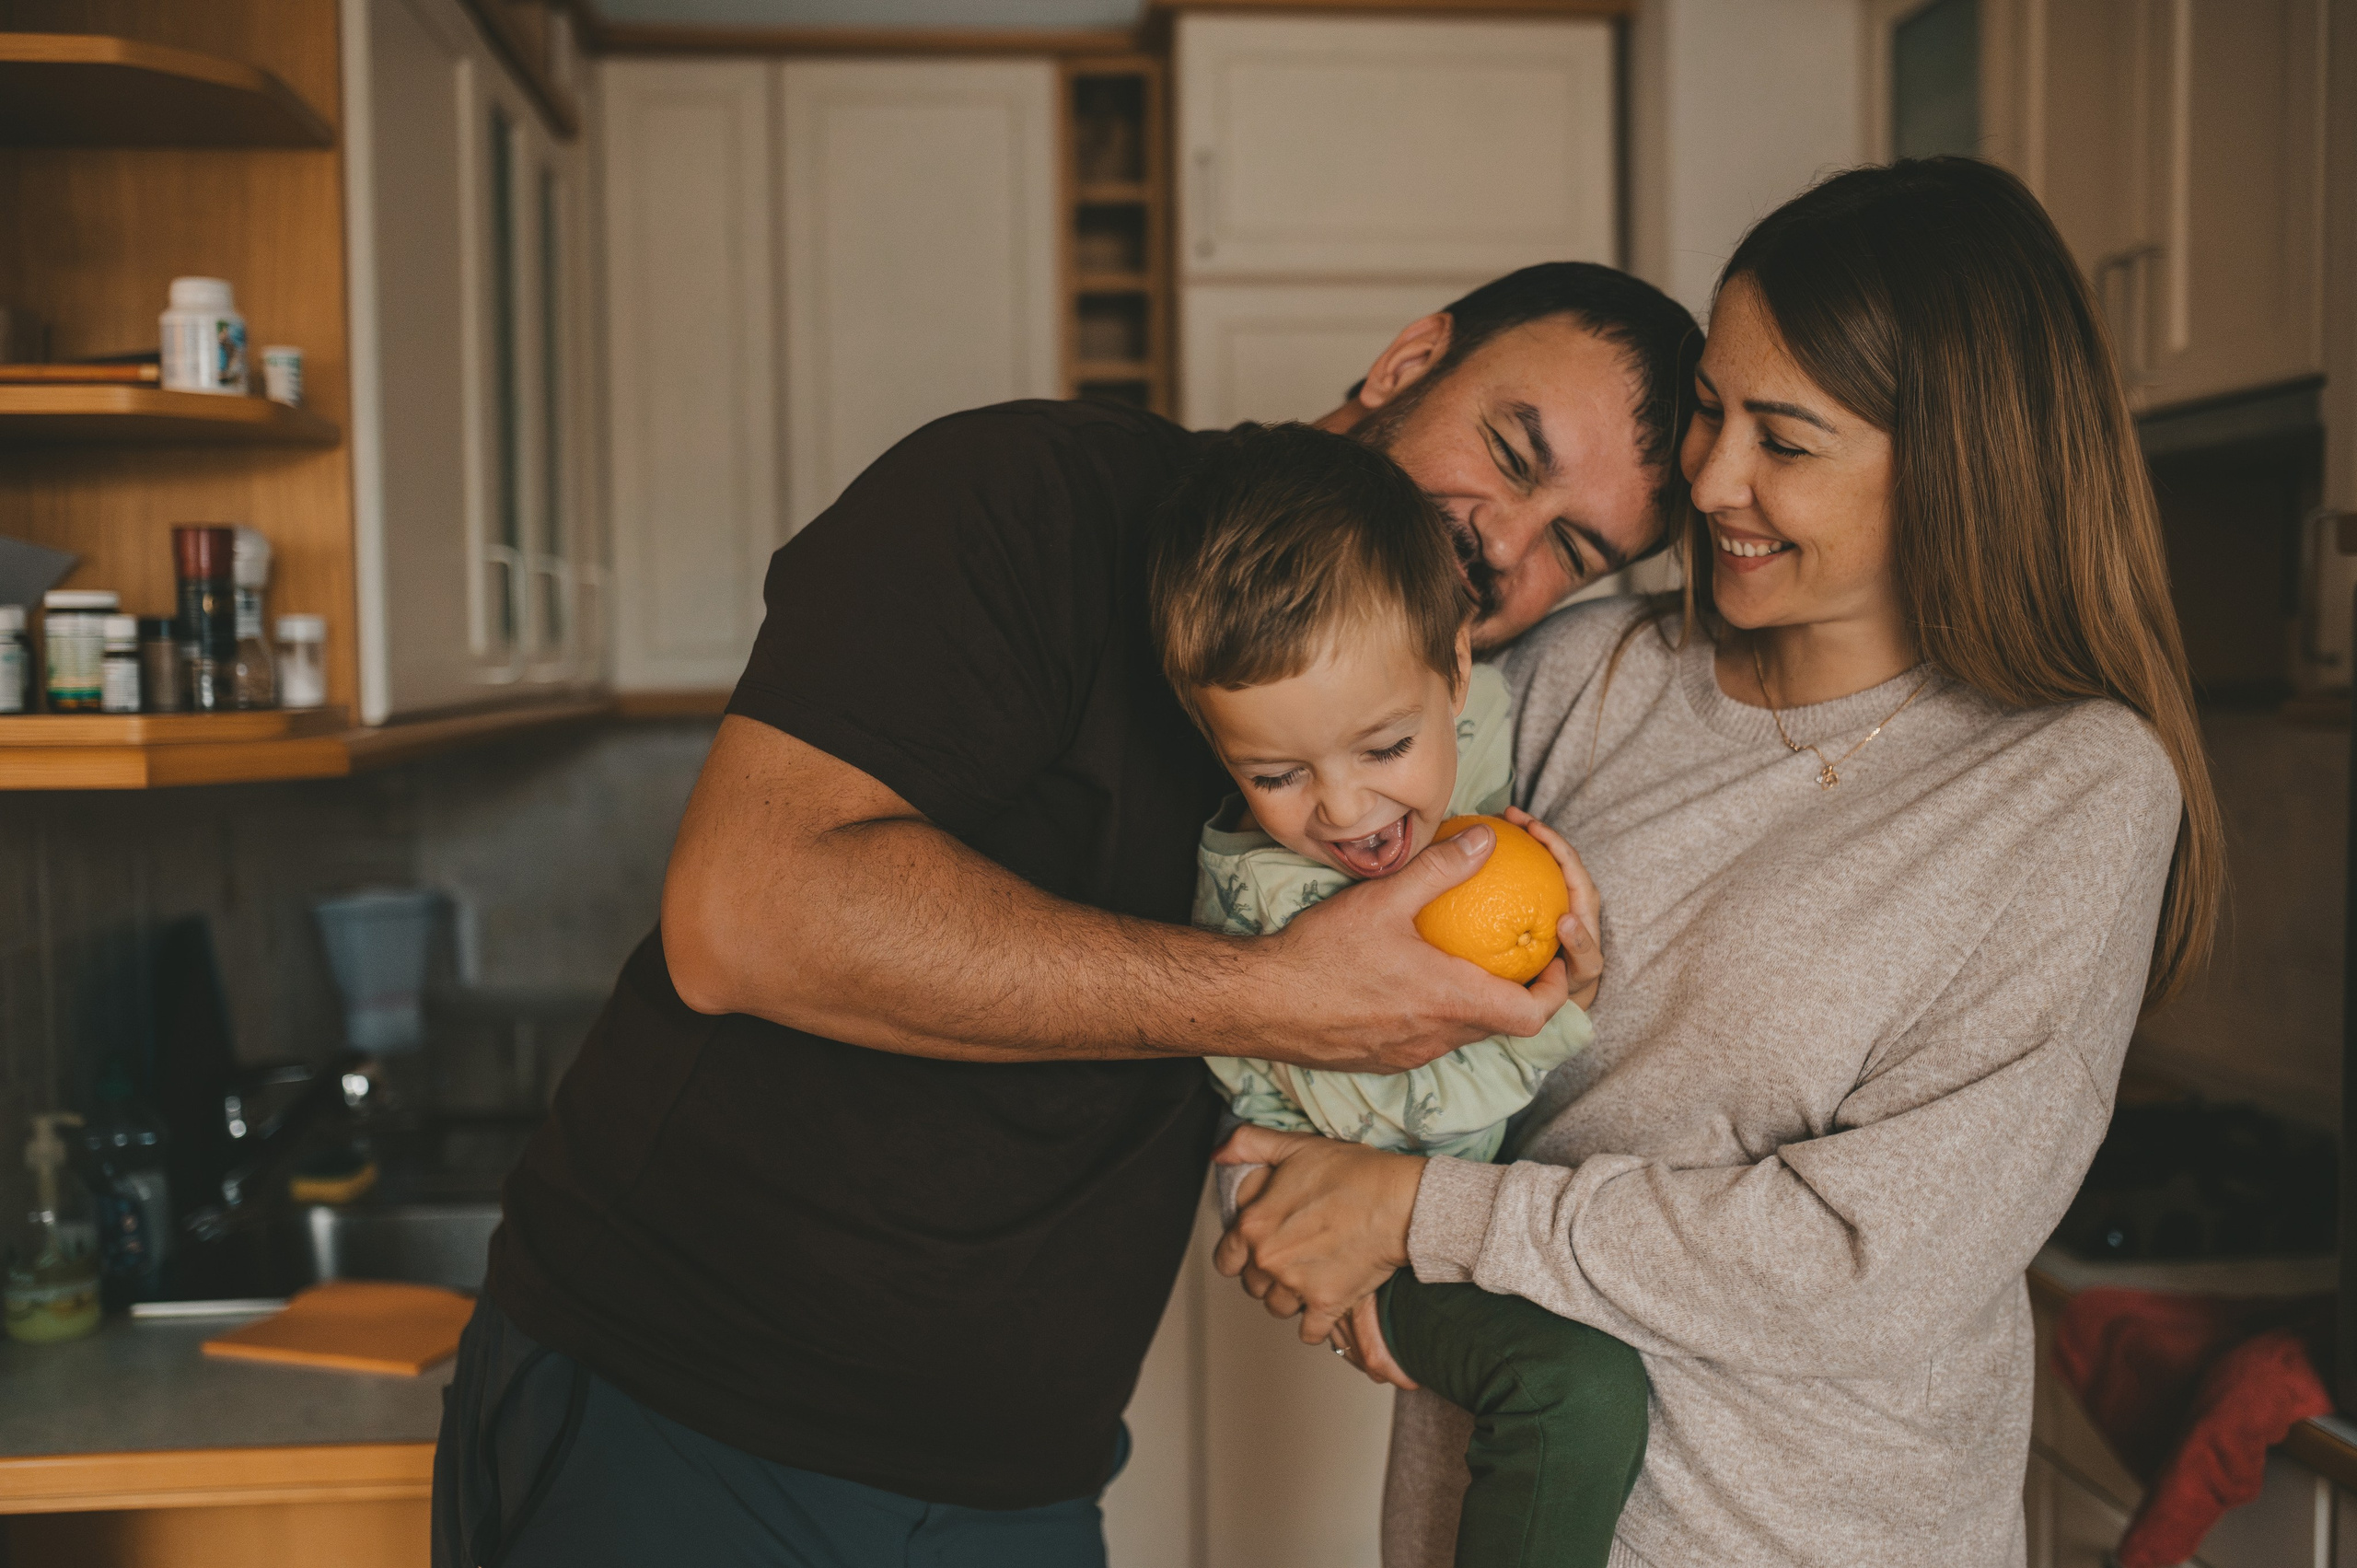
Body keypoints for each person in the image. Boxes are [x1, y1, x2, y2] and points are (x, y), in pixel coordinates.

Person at [431, 262, 1701, 1567]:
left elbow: (1297, 1071)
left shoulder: (1429, 733)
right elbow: (739, 914)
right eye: (1510, 450)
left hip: (1021, 1473)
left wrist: (1443, 1129)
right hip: (685, 1410)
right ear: (1406, 361)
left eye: (1575, 547)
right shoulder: (1029, 497)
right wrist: (1281, 990)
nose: (1505, 538)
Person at [1212, 157, 2224, 1568]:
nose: (1710, 477)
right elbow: (1312, 948)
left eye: (1785, 439)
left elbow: (1876, 1263)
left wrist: (1429, 1217)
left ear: (1954, 459)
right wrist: (1303, 1192)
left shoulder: (2071, 783)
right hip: (1484, 1508)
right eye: (1708, 411)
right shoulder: (1582, 674)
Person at [1154, 420, 1645, 1568]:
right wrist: (1545, 1014)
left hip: (1421, 1171)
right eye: (1273, 774)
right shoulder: (1274, 901)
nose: (1343, 812)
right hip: (1312, 1171)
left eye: (1384, 745)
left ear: (1456, 674)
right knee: (1574, 1389)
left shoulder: (1492, 710)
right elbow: (1421, 1118)